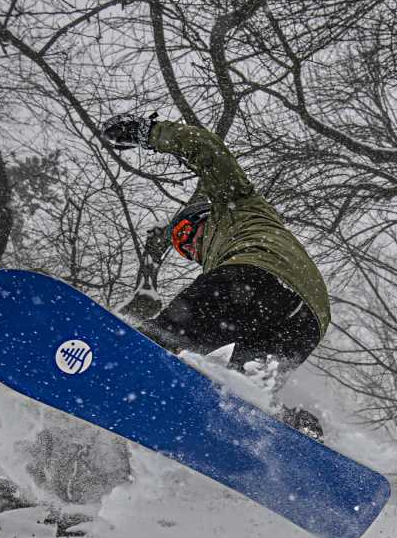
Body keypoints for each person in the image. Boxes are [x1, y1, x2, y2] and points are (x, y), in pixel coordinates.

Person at [99, 113, 329, 438]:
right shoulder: (231, 246)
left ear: (204, 215)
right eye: (182, 249)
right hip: (307, 321)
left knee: (170, 334)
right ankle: (295, 429)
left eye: (185, 233)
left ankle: (123, 363)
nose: (189, 248)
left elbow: (208, 149)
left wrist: (147, 133)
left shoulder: (234, 203)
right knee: (241, 394)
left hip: (256, 278)